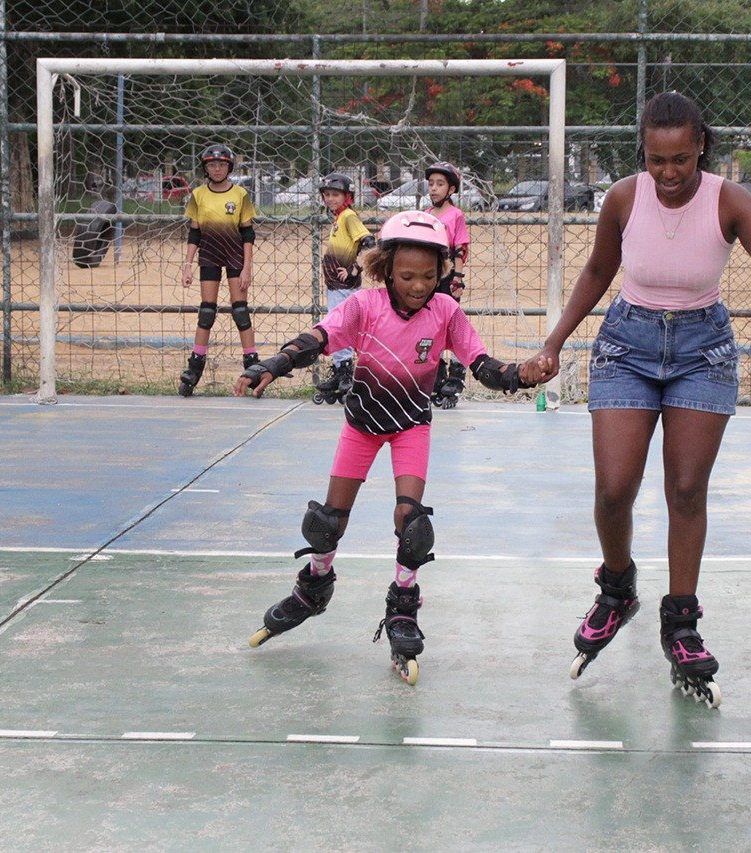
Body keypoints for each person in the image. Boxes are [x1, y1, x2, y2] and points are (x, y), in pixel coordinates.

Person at [531, 91, 751, 706]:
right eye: (656, 160)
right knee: (614, 488)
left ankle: (682, 621)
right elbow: (597, 271)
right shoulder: (624, 197)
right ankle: (617, 586)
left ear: (701, 145)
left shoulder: (729, 199)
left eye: (680, 159)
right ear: (643, 153)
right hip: (627, 344)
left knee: (686, 490)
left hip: (702, 351)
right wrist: (554, 342)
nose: (669, 174)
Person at [234, 210, 547, 685]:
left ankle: (403, 604)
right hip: (362, 424)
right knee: (326, 524)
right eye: (407, 276)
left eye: (428, 276)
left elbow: (480, 362)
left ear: (441, 271)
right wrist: (274, 363)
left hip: (410, 426)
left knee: (412, 522)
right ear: (385, 268)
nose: (419, 285)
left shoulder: (445, 312)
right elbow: (319, 338)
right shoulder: (365, 307)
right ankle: (315, 585)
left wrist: (517, 375)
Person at [178, 144, 258, 396]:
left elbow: (248, 234)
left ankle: (252, 367)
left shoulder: (240, 194)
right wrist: (188, 263)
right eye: (211, 165)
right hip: (209, 255)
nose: (216, 168)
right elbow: (194, 232)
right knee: (207, 312)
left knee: (241, 312)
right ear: (205, 168)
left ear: (229, 167)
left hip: (234, 255)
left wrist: (247, 267)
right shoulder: (198, 194)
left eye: (221, 164)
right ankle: (194, 368)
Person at [313, 172, 376, 405]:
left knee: (340, 328)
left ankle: (346, 374)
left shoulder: (348, 216)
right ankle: (342, 370)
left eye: (335, 195)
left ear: (347, 196)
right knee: (338, 327)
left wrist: (355, 269)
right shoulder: (339, 218)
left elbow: (369, 243)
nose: (330, 199)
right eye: (327, 195)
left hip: (344, 287)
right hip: (335, 286)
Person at [423, 161, 472, 409]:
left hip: (448, 276)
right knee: (431, 324)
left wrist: (458, 278)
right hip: (429, 276)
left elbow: (460, 249)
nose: (433, 189)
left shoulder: (456, 215)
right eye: (431, 184)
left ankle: (456, 374)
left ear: (451, 189)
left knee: (451, 324)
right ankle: (436, 373)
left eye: (440, 184)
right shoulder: (427, 215)